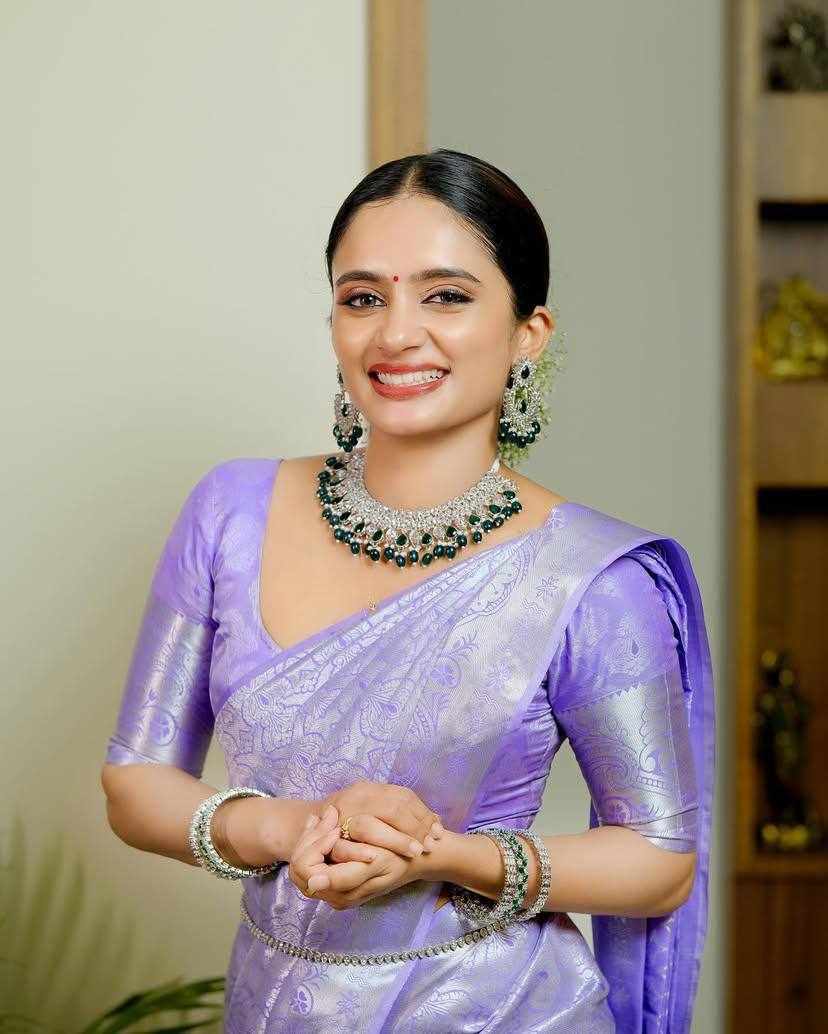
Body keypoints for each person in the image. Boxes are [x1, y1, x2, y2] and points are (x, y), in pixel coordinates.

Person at [101, 148, 715, 1033]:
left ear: (528, 332)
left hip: (506, 1013)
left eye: (446, 296)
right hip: (275, 1006)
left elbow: (660, 860)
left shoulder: (592, 579)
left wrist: (446, 855)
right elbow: (134, 782)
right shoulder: (231, 513)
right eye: (362, 298)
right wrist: (289, 827)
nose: (396, 334)